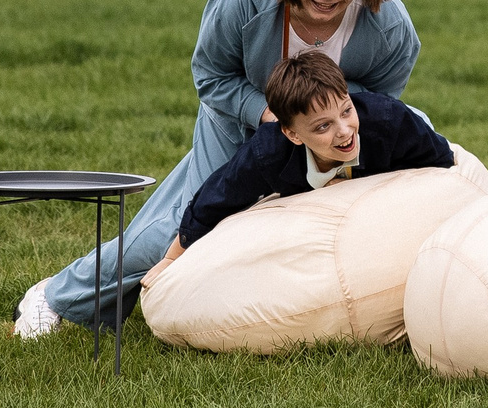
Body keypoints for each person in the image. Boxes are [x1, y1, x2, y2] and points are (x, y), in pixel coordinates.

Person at [15, 0, 421, 337]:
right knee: (187, 226)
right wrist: (269, 117)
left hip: (321, 137)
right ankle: (56, 295)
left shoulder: (388, 23)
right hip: (235, 122)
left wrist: (323, 126)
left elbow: (380, 102)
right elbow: (210, 76)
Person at [151, 52, 454, 268]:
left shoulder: (390, 122)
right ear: (293, 134)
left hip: (392, 166)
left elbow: (440, 162)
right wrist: (172, 258)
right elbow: (213, 201)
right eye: (323, 126)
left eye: (346, 110)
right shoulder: (267, 154)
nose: (344, 131)